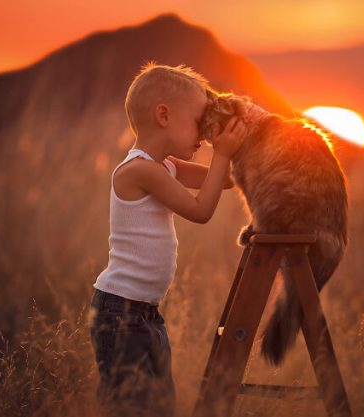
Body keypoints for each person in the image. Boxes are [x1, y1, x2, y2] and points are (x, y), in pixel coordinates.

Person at [89, 63, 253, 417]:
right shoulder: (139, 170)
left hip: (147, 315)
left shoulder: (166, 166)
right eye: (199, 122)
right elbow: (201, 209)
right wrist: (222, 153)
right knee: (132, 406)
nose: (204, 132)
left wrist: (230, 144)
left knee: (160, 406)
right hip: (120, 314)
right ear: (163, 115)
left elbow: (222, 181)